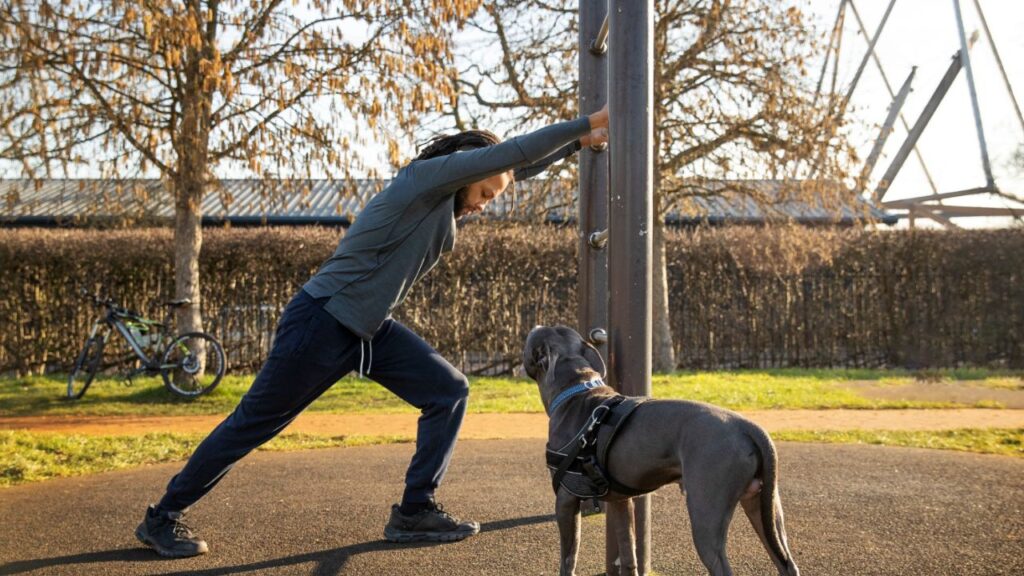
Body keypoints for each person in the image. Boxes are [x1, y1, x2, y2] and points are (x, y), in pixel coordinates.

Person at [135, 105, 610, 557]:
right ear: (468, 169)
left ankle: (415, 511)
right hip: (322, 321)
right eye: (486, 194)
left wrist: (577, 145)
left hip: (366, 328)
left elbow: (515, 168)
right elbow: (513, 156)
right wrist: (588, 121)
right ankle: (163, 516)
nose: (485, 206)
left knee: (448, 390)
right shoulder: (425, 180)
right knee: (252, 425)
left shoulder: (447, 194)